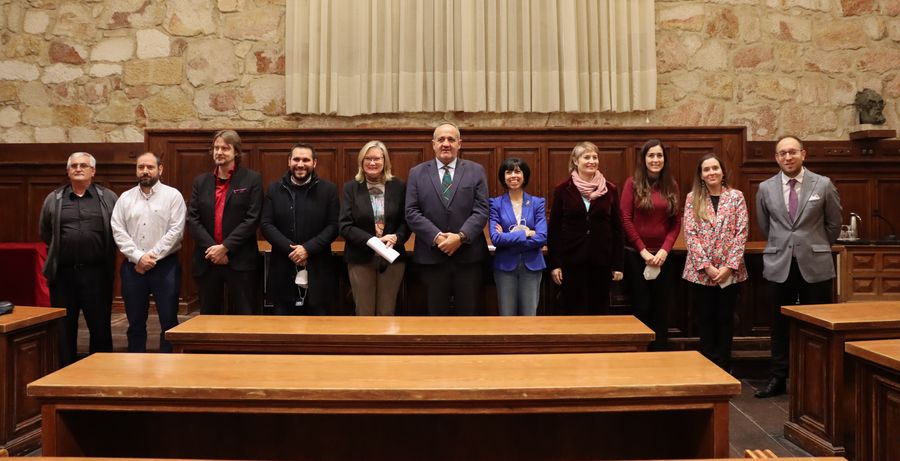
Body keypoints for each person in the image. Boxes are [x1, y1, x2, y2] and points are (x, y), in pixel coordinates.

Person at [754, 135, 842, 398]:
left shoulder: (823, 185)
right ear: (776, 158)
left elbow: (833, 225)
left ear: (803, 154)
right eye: (782, 153)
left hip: (815, 265)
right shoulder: (765, 188)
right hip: (779, 264)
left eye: (792, 152)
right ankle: (778, 379)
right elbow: (765, 225)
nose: (788, 157)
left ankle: (819, 381)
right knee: (779, 326)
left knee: (818, 326)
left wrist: (812, 245)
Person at [39, 152, 117, 365]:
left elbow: (118, 230)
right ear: (68, 171)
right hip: (63, 274)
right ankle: (65, 371)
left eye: (83, 165)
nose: (78, 168)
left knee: (100, 326)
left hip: (97, 273)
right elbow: (46, 233)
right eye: (73, 165)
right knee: (64, 328)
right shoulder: (54, 198)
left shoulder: (108, 197)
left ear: (93, 171)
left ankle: (100, 371)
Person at [405, 122, 489, 315]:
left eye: (451, 139)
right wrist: (438, 237)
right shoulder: (417, 173)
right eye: (441, 139)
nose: (446, 143)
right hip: (432, 257)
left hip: (468, 257)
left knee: (469, 317)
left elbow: (481, 209)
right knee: (436, 317)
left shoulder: (476, 171)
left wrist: (460, 237)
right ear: (433, 144)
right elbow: (411, 211)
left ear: (459, 143)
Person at [110, 152, 186, 353]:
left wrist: (150, 257)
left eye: (150, 167)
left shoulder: (173, 196)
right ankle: (136, 366)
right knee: (135, 322)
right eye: (141, 167)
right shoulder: (125, 198)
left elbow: (176, 231)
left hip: (166, 266)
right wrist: (138, 257)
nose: (145, 171)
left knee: (169, 320)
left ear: (160, 170)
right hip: (133, 268)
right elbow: (118, 230)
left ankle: (169, 367)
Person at [682, 154, 748, 372]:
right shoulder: (693, 198)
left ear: (722, 171)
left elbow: (741, 232)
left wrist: (728, 267)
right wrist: (708, 267)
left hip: (730, 272)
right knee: (706, 319)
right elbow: (690, 234)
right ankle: (707, 367)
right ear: (701, 175)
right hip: (701, 273)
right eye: (706, 169)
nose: (711, 173)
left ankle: (725, 365)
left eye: (715, 168)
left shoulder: (736, 197)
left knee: (726, 319)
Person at [187, 129, 263, 315]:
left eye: (225, 148)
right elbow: (193, 219)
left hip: (240, 259)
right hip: (208, 259)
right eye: (216, 148)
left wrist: (225, 247)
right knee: (208, 315)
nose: (219, 152)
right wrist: (214, 249)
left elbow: (252, 219)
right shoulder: (201, 181)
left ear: (236, 152)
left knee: (244, 315)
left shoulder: (252, 179)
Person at [261, 142, 339, 315]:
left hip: (318, 269)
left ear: (314, 163)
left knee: (318, 326)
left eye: (306, 160)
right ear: (289, 161)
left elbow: (334, 226)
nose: (300, 164)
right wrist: (293, 251)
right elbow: (266, 224)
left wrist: (307, 249)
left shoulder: (329, 190)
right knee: (283, 329)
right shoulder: (274, 189)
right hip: (282, 267)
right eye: (296, 159)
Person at [548, 141, 624, 315]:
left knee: (599, 311)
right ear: (576, 161)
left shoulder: (610, 189)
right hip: (572, 261)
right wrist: (555, 264)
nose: (592, 161)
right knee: (574, 311)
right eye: (586, 157)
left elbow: (617, 228)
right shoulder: (562, 190)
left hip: (601, 260)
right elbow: (555, 230)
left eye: (595, 157)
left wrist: (618, 265)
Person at [620, 139, 681, 350]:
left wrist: (665, 249)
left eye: (659, 155)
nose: (656, 159)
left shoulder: (671, 185)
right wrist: (643, 251)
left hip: (663, 257)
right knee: (642, 307)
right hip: (636, 256)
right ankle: (641, 353)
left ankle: (660, 353)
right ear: (644, 159)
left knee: (661, 309)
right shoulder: (632, 183)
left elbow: (675, 222)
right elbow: (625, 219)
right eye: (651, 155)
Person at [339, 141, 409, 316]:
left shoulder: (398, 187)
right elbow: (345, 225)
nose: (372, 163)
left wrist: (396, 237)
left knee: (387, 311)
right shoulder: (351, 188)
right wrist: (370, 240)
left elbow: (407, 221)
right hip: (360, 257)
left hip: (392, 257)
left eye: (377, 158)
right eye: (367, 159)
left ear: (385, 161)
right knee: (364, 311)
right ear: (361, 163)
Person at [488, 158, 547, 316]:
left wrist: (508, 237)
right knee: (506, 316)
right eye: (508, 172)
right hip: (505, 266)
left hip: (532, 265)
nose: (513, 176)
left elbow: (542, 237)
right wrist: (525, 234)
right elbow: (496, 238)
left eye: (517, 171)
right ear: (503, 177)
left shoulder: (537, 203)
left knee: (529, 316)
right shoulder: (495, 204)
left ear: (525, 175)